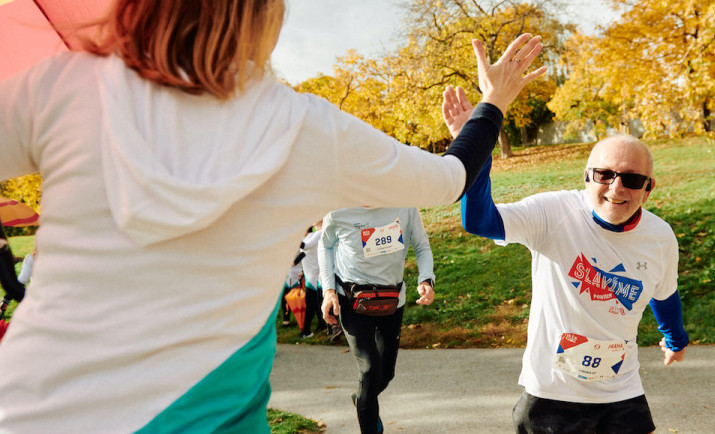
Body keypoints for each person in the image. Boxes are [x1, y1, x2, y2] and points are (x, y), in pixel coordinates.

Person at [0, 0, 546, 430]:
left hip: (28, 408)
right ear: (264, 16)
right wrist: (493, 101)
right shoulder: (309, 130)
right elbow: (450, 180)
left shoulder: (69, 85)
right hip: (207, 418)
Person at [444, 91, 688, 434]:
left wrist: (675, 339)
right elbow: (480, 221)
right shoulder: (552, 213)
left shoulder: (660, 237)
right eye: (604, 174)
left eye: (632, 179)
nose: (616, 189)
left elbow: (665, 296)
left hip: (621, 390)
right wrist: (477, 149)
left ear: (648, 188)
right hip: (551, 394)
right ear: (586, 176)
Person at [319, 207, 435, 434]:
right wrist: (328, 290)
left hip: (392, 300)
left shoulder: (405, 204)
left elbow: (421, 246)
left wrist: (426, 279)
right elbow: (325, 245)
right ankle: (368, 409)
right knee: (370, 370)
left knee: (385, 374)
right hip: (352, 300)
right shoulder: (338, 210)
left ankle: (362, 397)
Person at [294, 221, 331, 339]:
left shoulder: (319, 234)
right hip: (309, 274)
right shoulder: (309, 236)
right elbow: (304, 254)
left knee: (311, 304)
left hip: (316, 275)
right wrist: (296, 266)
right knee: (314, 304)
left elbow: (305, 246)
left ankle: (306, 331)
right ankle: (321, 325)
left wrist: (292, 238)